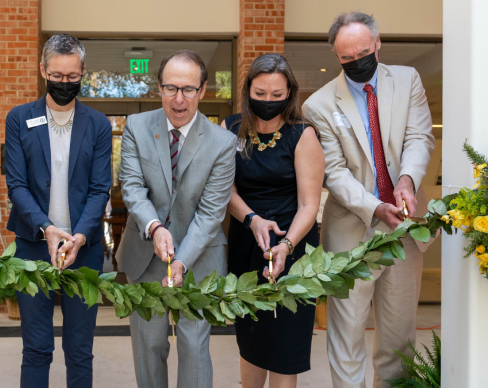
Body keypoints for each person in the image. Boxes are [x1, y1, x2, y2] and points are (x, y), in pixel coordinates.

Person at [302, 12, 435, 388]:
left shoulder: (407, 80)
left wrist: (406, 180)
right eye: (347, 58)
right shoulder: (319, 104)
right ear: (336, 56)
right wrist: (376, 206)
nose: (358, 62)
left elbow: (419, 137)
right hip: (351, 234)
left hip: (406, 229)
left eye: (363, 52)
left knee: (398, 340)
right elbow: (335, 173)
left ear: (377, 44)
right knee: (346, 340)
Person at [115, 50, 237, 388]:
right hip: (146, 256)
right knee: (149, 347)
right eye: (171, 88)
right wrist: (154, 228)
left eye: (188, 89)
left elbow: (212, 212)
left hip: (199, 259)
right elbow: (133, 187)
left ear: (203, 90)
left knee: (194, 348)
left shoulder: (223, 143)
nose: (179, 99)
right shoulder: (137, 127)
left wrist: (181, 260)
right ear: (159, 88)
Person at [4, 34, 112, 388]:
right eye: (57, 76)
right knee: (36, 347)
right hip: (33, 246)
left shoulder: (97, 124)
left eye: (72, 76)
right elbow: (16, 185)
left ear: (83, 72)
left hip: (85, 248)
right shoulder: (19, 118)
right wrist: (46, 228)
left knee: (80, 348)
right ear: (42, 71)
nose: (65, 83)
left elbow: (100, 188)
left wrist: (78, 235)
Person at [222, 53, 324, 388]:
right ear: (248, 90)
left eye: (277, 96)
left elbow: (309, 204)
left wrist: (287, 244)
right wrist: (251, 218)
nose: (268, 101)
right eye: (260, 94)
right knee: (250, 335)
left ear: (290, 93)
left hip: (292, 246)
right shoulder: (231, 128)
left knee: (284, 343)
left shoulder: (303, 134)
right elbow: (224, 190)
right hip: (246, 240)